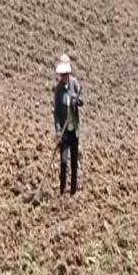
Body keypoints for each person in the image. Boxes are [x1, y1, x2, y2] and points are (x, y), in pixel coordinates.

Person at [52, 53, 83, 196]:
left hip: (73, 130)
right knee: (64, 161)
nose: (64, 76)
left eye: (65, 74)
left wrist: (76, 101)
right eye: (62, 74)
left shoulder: (74, 84)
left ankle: (73, 191)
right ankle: (62, 190)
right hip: (64, 133)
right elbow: (57, 113)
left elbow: (81, 100)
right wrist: (58, 132)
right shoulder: (58, 90)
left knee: (74, 161)